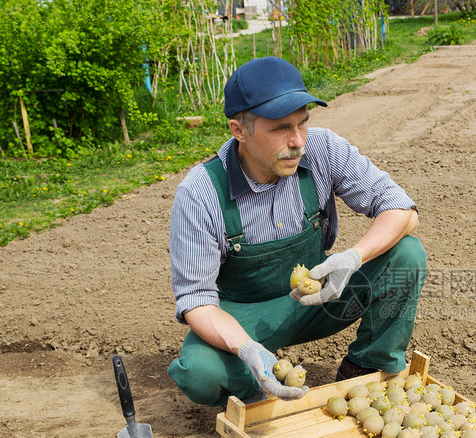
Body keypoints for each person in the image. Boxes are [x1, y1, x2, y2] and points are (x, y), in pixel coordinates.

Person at [167, 56, 426, 407]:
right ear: (239, 130)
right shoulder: (200, 193)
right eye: (280, 129)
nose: (297, 140)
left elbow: (403, 211)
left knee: (406, 254)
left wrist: (354, 257)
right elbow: (196, 300)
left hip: (320, 297)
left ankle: (368, 366)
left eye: (303, 123)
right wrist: (246, 348)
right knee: (199, 373)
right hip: (245, 316)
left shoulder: (322, 149)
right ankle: (260, 387)